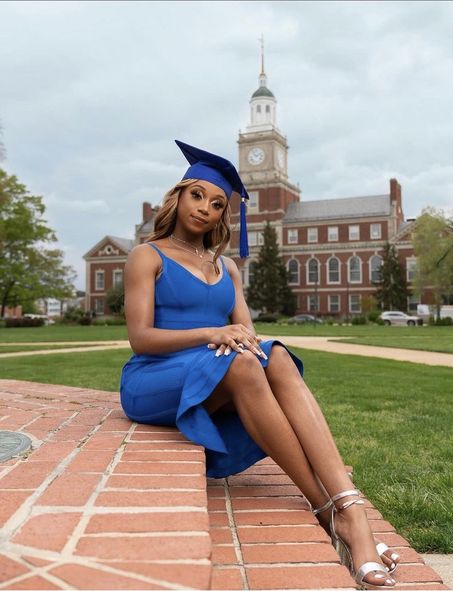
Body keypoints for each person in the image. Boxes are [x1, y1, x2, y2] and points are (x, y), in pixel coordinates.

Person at [120, 140, 398, 589]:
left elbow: (248, 337)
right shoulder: (146, 256)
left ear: (221, 216)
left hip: (216, 370)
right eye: (197, 196)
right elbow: (142, 338)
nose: (205, 209)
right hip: (154, 376)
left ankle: (349, 508)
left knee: (276, 355)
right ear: (178, 196)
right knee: (246, 365)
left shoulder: (226, 268)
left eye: (216, 204)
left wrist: (245, 341)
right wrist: (212, 332)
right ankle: (330, 511)